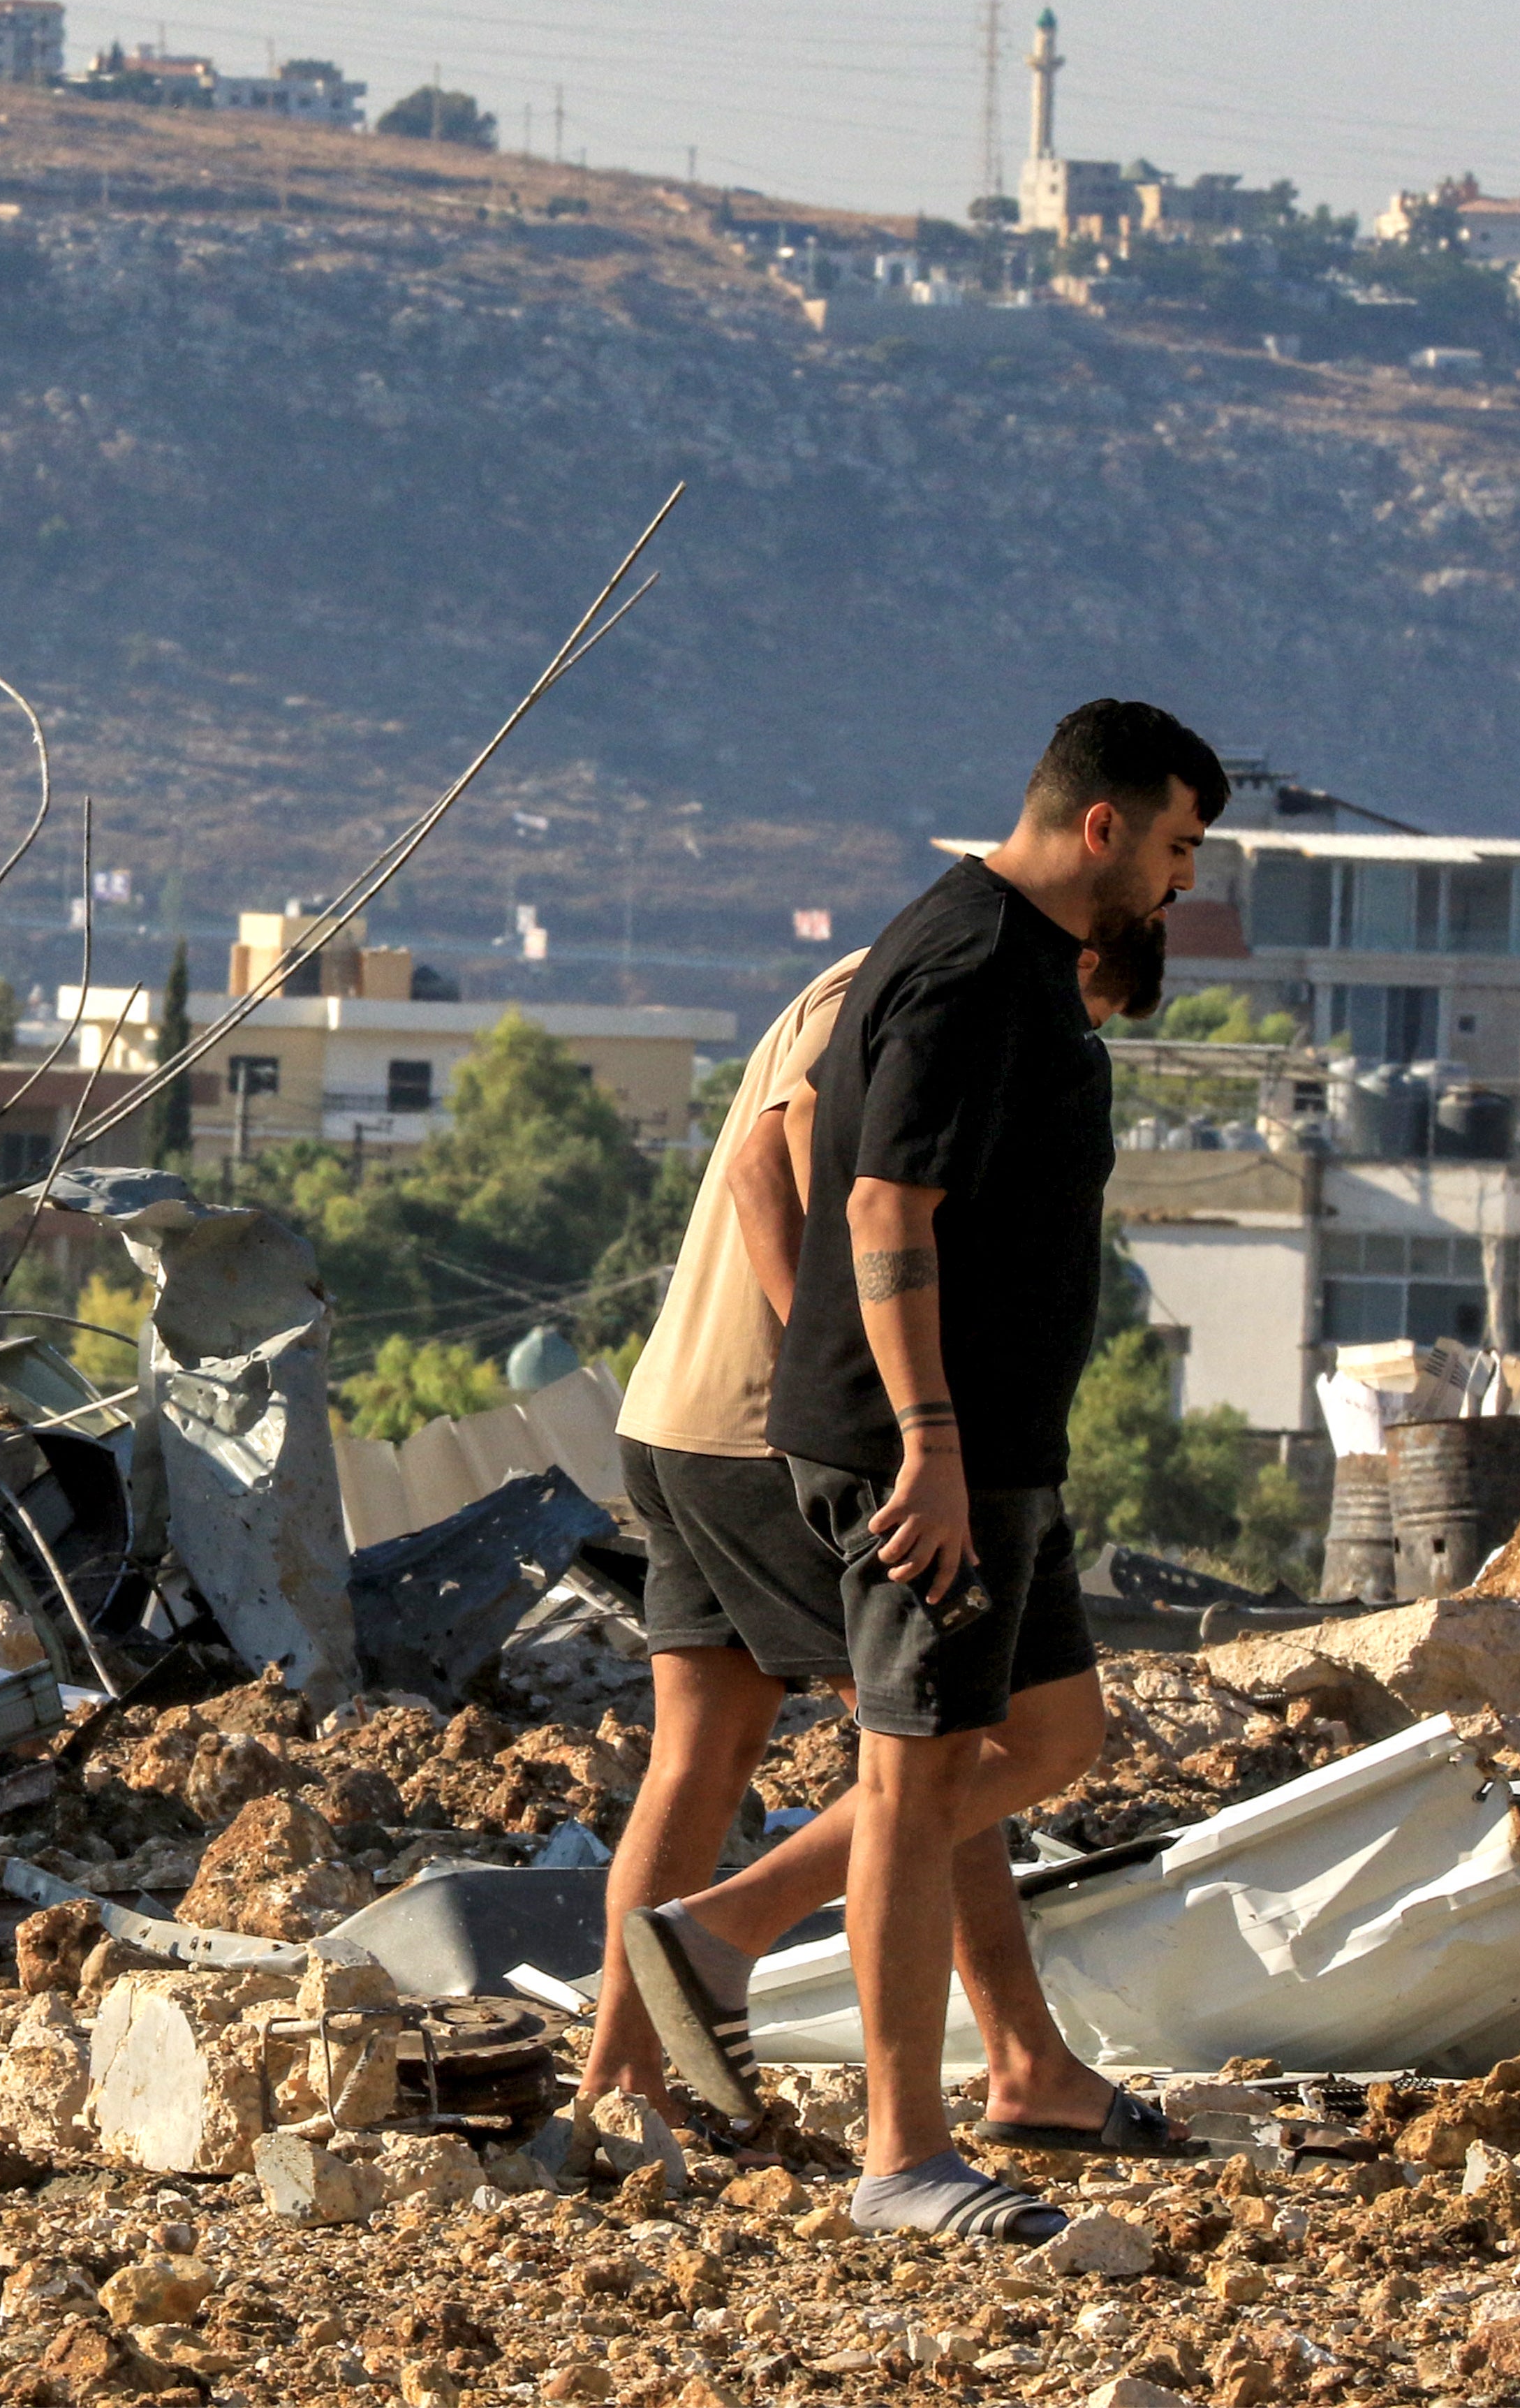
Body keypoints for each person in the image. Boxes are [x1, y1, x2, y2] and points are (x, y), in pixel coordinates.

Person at [625, 698, 1224, 2242]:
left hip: (981, 1445)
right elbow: (876, 1205)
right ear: (1102, 825)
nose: (1178, 885)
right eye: (1174, 848)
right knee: (908, 1775)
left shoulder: (1010, 966)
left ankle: (726, 1944)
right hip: (904, 1446)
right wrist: (926, 1438)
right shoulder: (962, 965)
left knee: (1041, 1733)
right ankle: (904, 2149)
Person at [573, 922, 1163, 2149]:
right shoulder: (932, 992)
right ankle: (979, 2051)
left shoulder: (874, 973)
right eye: (1087, 1022)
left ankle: (618, 2101)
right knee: (938, 1748)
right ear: (1088, 964)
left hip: (678, 1411)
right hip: (760, 1429)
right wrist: (841, 1394)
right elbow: (762, 1167)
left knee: (711, 1759)